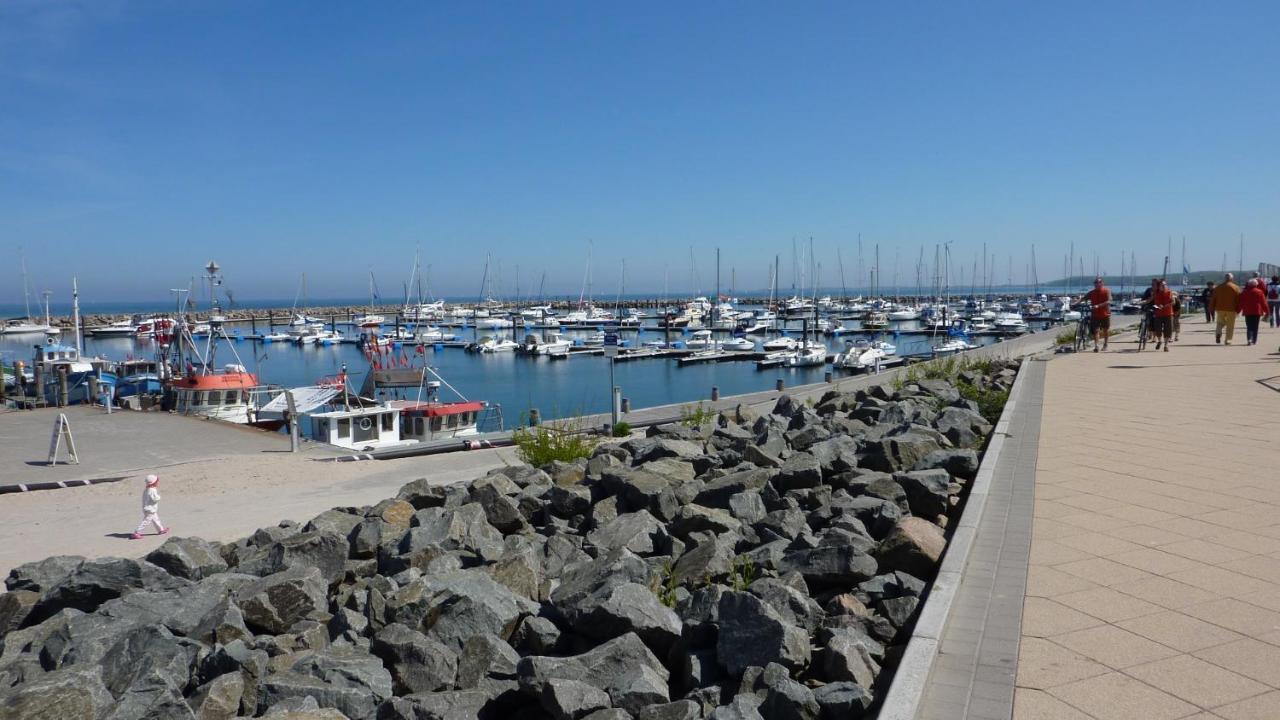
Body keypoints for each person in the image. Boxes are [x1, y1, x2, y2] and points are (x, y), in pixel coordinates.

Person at [131, 474, 170, 539]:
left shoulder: (147, 489)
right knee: (146, 521)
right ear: (154, 483)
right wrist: (159, 497)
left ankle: (161, 530)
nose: (158, 483)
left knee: (156, 519)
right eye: (157, 482)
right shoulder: (152, 490)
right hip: (150, 509)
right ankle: (137, 532)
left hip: (149, 509)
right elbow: (155, 499)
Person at [1083, 277, 1112, 351]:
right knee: (1096, 330)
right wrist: (1075, 303)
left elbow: (1109, 301)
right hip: (1095, 315)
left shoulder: (1106, 291)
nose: (1097, 284)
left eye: (1099, 282)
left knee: (1105, 330)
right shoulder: (1092, 292)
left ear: (1102, 283)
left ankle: (1105, 344)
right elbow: (1083, 298)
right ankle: (1096, 346)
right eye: (1095, 283)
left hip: (1105, 314)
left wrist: (1098, 305)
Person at [1212, 273, 1242, 345]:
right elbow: (1239, 299)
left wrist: (1212, 307)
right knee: (1230, 325)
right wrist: (1238, 309)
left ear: (1225, 278)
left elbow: (1213, 298)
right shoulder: (1236, 287)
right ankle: (1228, 340)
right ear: (1232, 279)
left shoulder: (1218, 287)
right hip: (1231, 308)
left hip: (1220, 308)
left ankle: (1218, 333)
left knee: (1220, 322)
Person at [1240, 278, 1268, 346]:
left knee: (1249, 326)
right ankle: (1254, 340)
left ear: (1249, 284)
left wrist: (1238, 310)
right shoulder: (1259, 292)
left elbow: (1241, 302)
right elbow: (1263, 303)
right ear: (1256, 284)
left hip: (1247, 311)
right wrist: (1267, 311)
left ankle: (1249, 339)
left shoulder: (1244, 292)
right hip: (1257, 311)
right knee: (1255, 326)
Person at [1150, 279, 1175, 351]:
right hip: (1158, 314)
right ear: (1159, 286)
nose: (1164, 286)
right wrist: (1143, 302)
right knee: (1158, 330)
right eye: (1162, 285)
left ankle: (1166, 345)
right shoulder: (1156, 293)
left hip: (1168, 313)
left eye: (1165, 285)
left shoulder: (1169, 292)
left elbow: (1173, 302)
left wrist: (1166, 305)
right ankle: (1160, 341)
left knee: (1168, 330)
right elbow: (1151, 300)